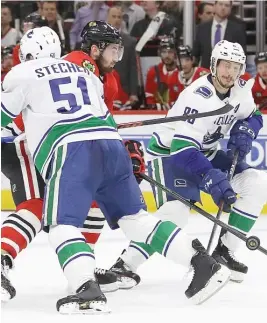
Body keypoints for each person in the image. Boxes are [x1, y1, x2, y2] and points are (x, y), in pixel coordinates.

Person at [1, 26, 230, 313]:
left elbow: (3, 119)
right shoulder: (85, 72)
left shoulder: (22, 73)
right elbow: (105, 118)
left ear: (26, 54)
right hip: (110, 145)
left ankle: (85, 288)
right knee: (135, 219)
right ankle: (202, 263)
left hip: (70, 149)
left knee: (61, 225)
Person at [110, 40, 267, 287]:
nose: (230, 73)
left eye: (235, 67)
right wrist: (211, 177)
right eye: (225, 66)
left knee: (255, 183)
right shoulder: (196, 97)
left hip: (205, 151)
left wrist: (247, 129)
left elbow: (254, 115)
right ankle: (124, 266)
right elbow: (182, 151)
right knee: (176, 214)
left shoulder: (240, 88)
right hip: (170, 155)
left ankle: (224, 252)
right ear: (214, 65)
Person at [1, 21, 123, 302]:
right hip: (20, 144)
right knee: (36, 206)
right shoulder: (73, 65)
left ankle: (84, 269)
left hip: (45, 145)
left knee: (94, 195)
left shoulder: (50, 69)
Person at [193, 1, 246, 69]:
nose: (223, 8)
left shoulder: (238, 29)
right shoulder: (202, 28)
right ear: (214, 6)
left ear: (230, 9)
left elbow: (241, 55)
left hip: (228, 74)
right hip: (206, 73)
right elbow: (196, 54)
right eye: (220, 4)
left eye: (226, 5)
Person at [107, 5, 139, 109]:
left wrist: (133, 93)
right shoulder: (98, 40)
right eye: (113, 16)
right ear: (107, 18)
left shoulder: (130, 42)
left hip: (124, 92)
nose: (116, 20)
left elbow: (133, 68)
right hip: (104, 89)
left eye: (119, 17)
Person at [145, 37, 181, 110]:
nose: (167, 56)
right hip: (158, 115)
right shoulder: (153, 72)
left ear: (176, 54)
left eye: (170, 52)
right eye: (164, 52)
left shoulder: (182, 73)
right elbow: (150, 100)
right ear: (159, 53)